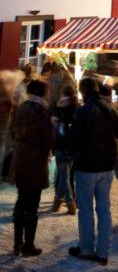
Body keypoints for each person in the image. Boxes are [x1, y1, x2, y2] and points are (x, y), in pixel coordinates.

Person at [68, 76, 118, 265]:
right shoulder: (111, 110)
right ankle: (103, 252)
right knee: (104, 209)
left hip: (87, 166)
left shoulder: (82, 112)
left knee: (85, 209)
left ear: (83, 92)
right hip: (107, 165)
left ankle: (86, 247)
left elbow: (73, 139)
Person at [10, 79, 53, 257]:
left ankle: (17, 244)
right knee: (32, 204)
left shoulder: (20, 109)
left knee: (21, 200)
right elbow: (48, 141)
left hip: (20, 161)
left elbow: (12, 132)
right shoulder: (42, 113)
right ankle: (28, 245)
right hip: (35, 163)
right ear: (42, 93)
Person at [52, 84, 78, 215]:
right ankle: (56, 203)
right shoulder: (77, 108)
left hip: (60, 145)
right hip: (72, 147)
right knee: (64, 176)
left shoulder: (58, 106)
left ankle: (70, 203)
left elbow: (54, 124)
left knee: (64, 177)